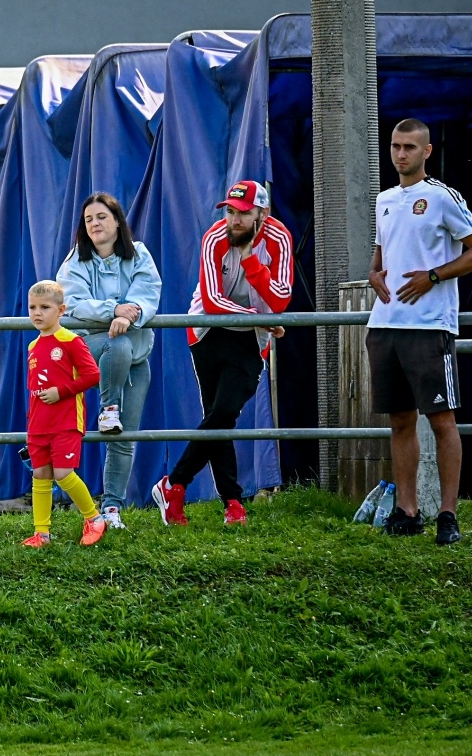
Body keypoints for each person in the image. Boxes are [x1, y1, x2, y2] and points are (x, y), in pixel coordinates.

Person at [368, 119, 472, 546]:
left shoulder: (442, 197)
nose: (400, 154)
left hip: (428, 327)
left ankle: (448, 515)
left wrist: (435, 276)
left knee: (442, 420)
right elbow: (383, 253)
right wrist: (374, 274)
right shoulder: (384, 200)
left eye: (409, 147)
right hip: (386, 325)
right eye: (395, 146)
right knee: (399, 420)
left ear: (427, 151)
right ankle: (407, 511)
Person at [151, 180, 293, 528]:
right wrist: (263, 318)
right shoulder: (214, 237)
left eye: (244, 213)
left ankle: (174, 484)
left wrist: (249, 262)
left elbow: (281, 298)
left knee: (224, 412)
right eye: (230, 211)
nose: (235, 220)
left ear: (264, 214)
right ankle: (232, 502)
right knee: (220, 414)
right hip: (207, 329)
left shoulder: (279, 239)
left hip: (252, 337)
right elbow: (213, 303)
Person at [56, 192, 161, 528]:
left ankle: (112, 508)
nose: (95, 224)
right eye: (88, 220)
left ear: (117, 221)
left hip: (136, 354)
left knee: (124, 435)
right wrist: (113, 311)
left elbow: (148, 294)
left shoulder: (140, 254)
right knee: (117, 347)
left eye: (101, 217)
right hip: (92, 348)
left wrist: (129, 317)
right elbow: (71, 303)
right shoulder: (76, 261)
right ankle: (108, 407)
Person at [21, 280, 107, 548]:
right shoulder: (33, 346)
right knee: (40, 474)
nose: (37, 313)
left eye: (45, 307)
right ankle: (42, 534)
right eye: (33, 307)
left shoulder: (71, 341)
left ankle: (94, 518)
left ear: (61, 310)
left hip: (66, 421)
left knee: (63, 473)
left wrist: (62, 391)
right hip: (38, 425)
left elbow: (93, 375)